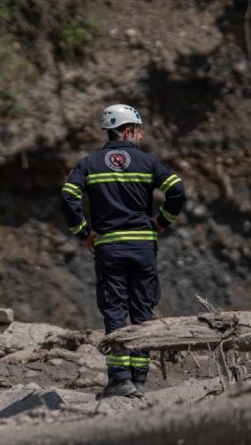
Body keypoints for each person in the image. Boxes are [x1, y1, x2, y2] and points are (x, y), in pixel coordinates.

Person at [60, 104, 185, 398]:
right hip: (143, 247)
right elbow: (177, 191)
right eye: (138, 131)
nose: (140, 136)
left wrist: (83, 233)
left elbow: (68, 197)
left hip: (109, 248)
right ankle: (139, 381)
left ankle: (119, 380)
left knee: (115, 311)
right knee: (142, 310)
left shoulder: (89, 164)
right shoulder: (148, 162)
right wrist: (162, 222)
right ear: (128, 130)